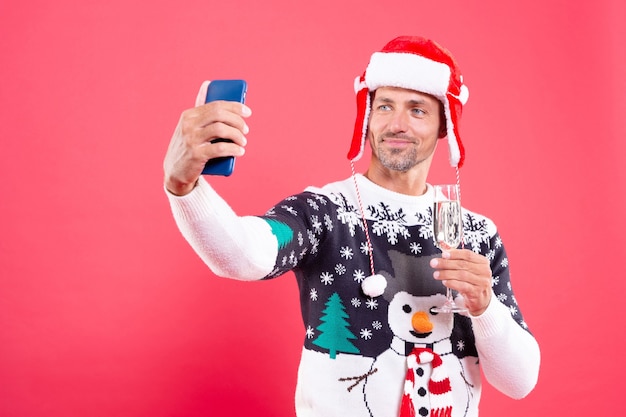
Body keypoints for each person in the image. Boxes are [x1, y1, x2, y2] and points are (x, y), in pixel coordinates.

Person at [163, 36, 540, 417]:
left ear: (445, 125)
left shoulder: (476, 234)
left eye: (417, 110)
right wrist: (183, 185)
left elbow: (520, 382)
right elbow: (245, 254)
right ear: (367, 117)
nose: (397, 124)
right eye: (385, 106)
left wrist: (485, 306)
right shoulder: (324, 211)